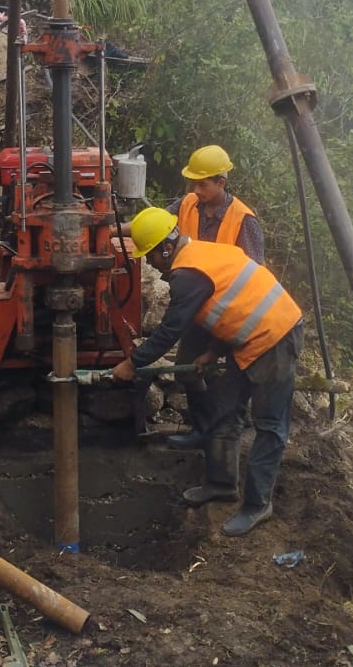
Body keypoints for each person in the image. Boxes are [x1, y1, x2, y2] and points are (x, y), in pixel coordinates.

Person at [112, 207, 303, 536]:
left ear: (166, 248)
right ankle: (221, 484)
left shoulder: (188, 274)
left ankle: (258, 505)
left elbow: (170, 329)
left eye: (152, 257)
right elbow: (234, 303)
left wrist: (133, 363)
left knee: (269, 425)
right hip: (249, 339)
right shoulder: (200, 254)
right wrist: (213, 351)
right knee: (223, 409)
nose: (152, 266)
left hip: (276, 336)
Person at [166, 144, 265, 452]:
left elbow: (254, 277)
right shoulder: (186, 204)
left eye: (203, 184)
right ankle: (203, 428)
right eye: (193, 183)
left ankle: (227, 435)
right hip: (201, 308)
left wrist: (217, 346)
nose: (196, 190)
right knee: (187, 366)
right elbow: (157, 224)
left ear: (221, 182)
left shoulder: (243, 220)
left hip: (233, 313)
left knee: (233, 379)